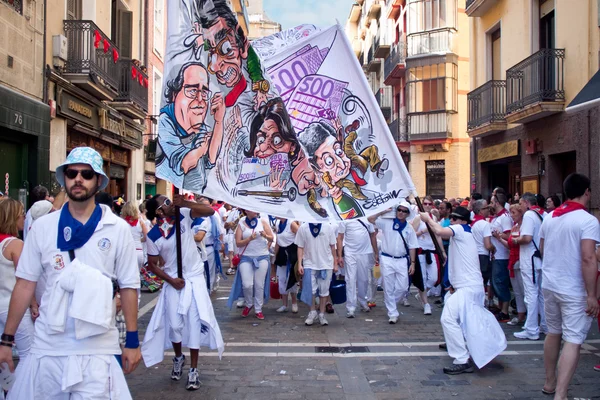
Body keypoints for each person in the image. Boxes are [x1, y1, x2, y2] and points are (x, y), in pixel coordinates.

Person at [0, 147, 141, 399]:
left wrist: (132, 340)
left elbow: (129, 286)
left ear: (98, 181)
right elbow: (24, 285)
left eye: (86, 174)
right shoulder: (43, 227)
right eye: (72, 172)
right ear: (64, 178)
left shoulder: (117, 229)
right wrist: (6, 341)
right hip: (49, 346)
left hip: (97, 347)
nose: (78, 179)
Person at [141, 194, 223, 391]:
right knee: (175, 326)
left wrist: (185, 203)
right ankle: (178, 358)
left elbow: (210, 211)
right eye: (165, 203)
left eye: (170, 201)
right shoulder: (154, 235)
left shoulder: (184, 215)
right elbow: (152, 265)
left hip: (193, 279)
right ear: (159, 211)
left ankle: (194, 369)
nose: (170, 204)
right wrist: (170, 280)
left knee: (195, 323)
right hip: (173, 281)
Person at [420, 207, 507, 375]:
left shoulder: (461, 230)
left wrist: (428, 219)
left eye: (455, 218)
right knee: (461, 318)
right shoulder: (465, 233)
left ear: (463, 221)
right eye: (451, 217)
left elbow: (439, 230)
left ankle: (461, 357)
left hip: (468, 287)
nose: (451, 220)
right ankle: (457, 343)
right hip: (467, 286)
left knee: (449, 319)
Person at [538, 173, 599, 398]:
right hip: (573, 288)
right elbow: (588, 258)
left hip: (550, 283)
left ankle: (549, 383)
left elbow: (543, 250)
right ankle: (561, 393)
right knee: (573, 339)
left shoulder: (551, 216)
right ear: (587, 192)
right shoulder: (588, 220)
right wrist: (592, 294)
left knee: (553, 333)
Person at [156, 61, 225, 191]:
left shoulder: (200, 126)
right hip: (178, 191)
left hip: (196, 193)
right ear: (175, 95)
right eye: (192, 90)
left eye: (204, 93)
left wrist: (219, 121)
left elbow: (211, 158)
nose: (200, 99)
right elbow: (185, 164)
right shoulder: (166, 120)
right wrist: (202, 148)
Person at [0, 199, 36, 369]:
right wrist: (33, 304)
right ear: (12, 217)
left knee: (4, 358)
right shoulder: (16, 245)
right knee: (29, 355)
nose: (24, 217)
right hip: (14, 308)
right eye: (21, 214)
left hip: (1, 305)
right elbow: (24, 278)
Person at [368, 202, 418, 324]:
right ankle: (392, 312)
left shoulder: (409, 228)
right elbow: (370, 219)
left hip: (402, 259)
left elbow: (412, 247)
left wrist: (413, 263)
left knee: (403, 287)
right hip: (387, 258)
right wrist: (382, 211)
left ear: (407, 214)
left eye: (404, 211)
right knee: (388, 286)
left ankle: (390, 302)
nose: (401, 212)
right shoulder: (387, 222)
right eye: (399, 210)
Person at [512, 192, 546, 340]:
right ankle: (544, 325)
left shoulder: (529, 216)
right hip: (537, 259)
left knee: (531, 294)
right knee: (540, 295)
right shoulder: (541, 215)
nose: (519, 206)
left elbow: (526, 238)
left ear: (526, 202)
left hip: (529, 259)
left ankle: (532, 329)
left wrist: (515, 240)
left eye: (520, 203)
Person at [231, 210, 274, 320]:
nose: (256, 211)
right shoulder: (241, 222)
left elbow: (272, 238)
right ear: (246, 211)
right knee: (247, 284)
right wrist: (249, 239)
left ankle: (258, 309)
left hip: (262, 257)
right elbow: (238, 242)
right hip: (246, 257)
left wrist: (265, 236)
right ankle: (249, 303)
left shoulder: (262, 222)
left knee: (259, 284)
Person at [296, 221, 338, 326]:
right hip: (309, 263)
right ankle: (312, 312)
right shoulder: (303, 227)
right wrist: (300, 264)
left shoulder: (328, 226)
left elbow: (333, 247)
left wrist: (335, 263)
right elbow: (300, 246)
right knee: (311, 290)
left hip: (325, 264)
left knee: (324, 291)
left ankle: (322, 314)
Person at [337, 219, 378, 318]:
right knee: (350, 279)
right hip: (350, 252)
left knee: (363, 279)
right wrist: (339, 256)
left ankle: (362, 300)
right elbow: (340, 237)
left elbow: (373, 235)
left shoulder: (367, 217)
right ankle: (351, 307)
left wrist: (376, 252)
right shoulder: (344, 218)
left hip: (364, 252)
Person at [494, 204, 526, 326]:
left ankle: (529, 317)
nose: (511, 216)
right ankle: (520, 314)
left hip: (521, 260)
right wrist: (499, 238)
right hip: (512, 260)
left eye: (514, 213)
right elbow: (509, 244)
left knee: (525, 290)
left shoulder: (524, 227)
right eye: (511, 213)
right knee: (517, 290)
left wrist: (514, 240)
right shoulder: (514, 228)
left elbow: (522, 241)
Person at [411, 196, 443, 315]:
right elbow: (412, 235)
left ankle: (421, 293)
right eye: (426, 203)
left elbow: (437, 235)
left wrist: (442, 251)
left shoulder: (433, 218)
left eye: (430, 204)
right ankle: (426, 303)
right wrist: (423, 231)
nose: (428, 206)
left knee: (434, 278)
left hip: (432, 250)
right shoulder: (418, 218)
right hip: (421, 250)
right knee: (423, 278)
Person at [194, 197, 225, 293]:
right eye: (205, 206)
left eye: (209, 205)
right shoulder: (194, 218)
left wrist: (221, 244)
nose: (208, 207)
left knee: (210, 271)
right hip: (195, 249)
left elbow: (220, 232)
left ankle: (208, 290)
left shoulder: (213, 217)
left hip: (209, 248)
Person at [489, 193, 513, 320]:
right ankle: (500, 307)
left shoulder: (505, 217)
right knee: (495, 282)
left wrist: (498, 235)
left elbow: (508, 236)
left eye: (492, 202)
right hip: (496, 254)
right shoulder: (497, 217)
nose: (490, 204)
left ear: (497, 203)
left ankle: (505, 311)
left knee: (500, 281)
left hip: (502, 255)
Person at [470, 200, 496, 304]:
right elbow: (488, 245)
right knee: (482, 282)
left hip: (474, 256)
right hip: (483, 257)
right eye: (486, 208)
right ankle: (479, 304)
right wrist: (494, 249)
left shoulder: (472, 222)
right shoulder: (484, 224)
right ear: (480, 211)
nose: (488, 210)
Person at [272, 218, 300, 313]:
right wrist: (274, 256)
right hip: (281, 254)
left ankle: (294, 303)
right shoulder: (277, 223)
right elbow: (278, 242)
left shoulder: (291, 223)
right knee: (282, 279)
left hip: (291, 253)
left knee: (291, 278)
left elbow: (301, 236)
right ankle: (284, 304)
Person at [121, 201, 149, 275]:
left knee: (127, 276)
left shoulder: (121, 222)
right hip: (138, 251)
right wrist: (138, 240)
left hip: (126, 251)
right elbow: (147, 237)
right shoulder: (140, 222)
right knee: (137, 276)